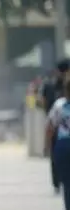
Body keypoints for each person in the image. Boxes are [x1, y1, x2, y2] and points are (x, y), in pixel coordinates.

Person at [45, 73, 70, 210]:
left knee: (67, 184)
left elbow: (50, 127)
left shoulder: (59, 105)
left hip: (63, 146)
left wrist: (47, 147)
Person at [41, 60, 69, 194]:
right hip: (58, 125)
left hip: (56, 124)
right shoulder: (52, 86)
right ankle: (58, 181)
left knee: (55, 155)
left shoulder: (50, 85)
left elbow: (43, 103)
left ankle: (58, 181)